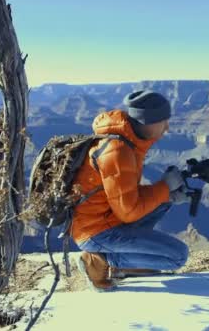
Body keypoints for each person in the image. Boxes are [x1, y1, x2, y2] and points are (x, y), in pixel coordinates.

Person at [70, 90, 189, 292]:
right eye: (163, 121)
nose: (167, 127)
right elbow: (128, 212)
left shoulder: (129, 142)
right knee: (177, 256)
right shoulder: (117, 152)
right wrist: (164, 186)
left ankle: (120, 265)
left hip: (105, 218)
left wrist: (167, 195)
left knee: (164, 201)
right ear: (146, 121)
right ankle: (100, 260)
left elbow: (124, 195)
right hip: (96, 231)